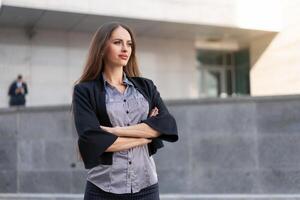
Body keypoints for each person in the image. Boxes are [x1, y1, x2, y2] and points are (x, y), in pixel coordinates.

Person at [72, 22, 178, 200]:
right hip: (103, 189)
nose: (125, 48)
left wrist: (114, 131)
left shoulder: (146, 86)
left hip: (147, 187)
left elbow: (166, 124)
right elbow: (92, 141)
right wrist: (147, 134)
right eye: (117, 42)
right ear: (102, 47)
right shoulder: (84, 91)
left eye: (129, 44)